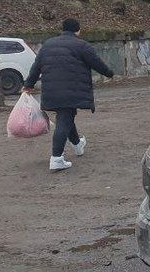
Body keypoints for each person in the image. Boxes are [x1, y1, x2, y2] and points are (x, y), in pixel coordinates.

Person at [24, 19, 115, 172]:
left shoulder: (48, 45)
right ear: (78, 30)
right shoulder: (81, 45)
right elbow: (96, 63)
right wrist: (109, 74)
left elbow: (36, 67)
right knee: (64, 120)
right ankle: (57, 158)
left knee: (65, 116)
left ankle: (78, 144)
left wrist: (28, 85)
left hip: (51, 91)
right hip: (71, 90)